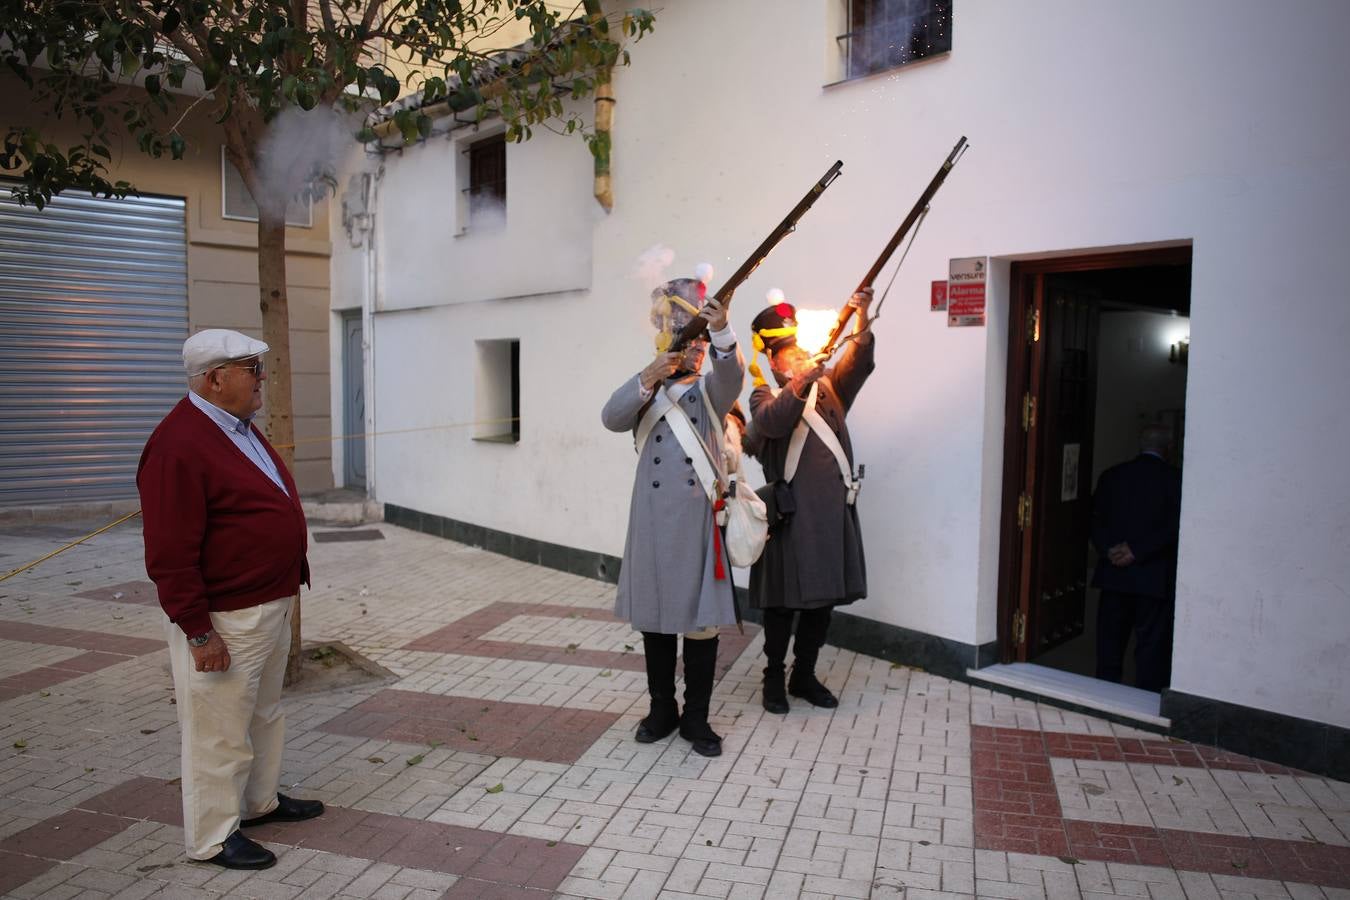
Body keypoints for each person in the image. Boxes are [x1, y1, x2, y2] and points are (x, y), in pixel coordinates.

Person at [137, 328, 322, 870]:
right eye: (251, 369)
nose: (262, 379)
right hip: (225, 617)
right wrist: (197, 629)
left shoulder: (237, 428)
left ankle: (258, 803)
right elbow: (170, 554)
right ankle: (213, 837)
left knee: (264, 713)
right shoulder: (177, 445)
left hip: (268, 603)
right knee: (217, 730)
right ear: (216, 380)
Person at [601, 272, 744, 757]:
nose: (697, 351)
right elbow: (611, 416)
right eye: (691, 342)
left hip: (697, 525)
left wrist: (723, 331)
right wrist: (648, 376)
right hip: (652, 522)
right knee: (657, 622)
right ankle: (662, 710)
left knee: (701, 627)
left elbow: (732, 375)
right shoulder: (649, 388)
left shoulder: (710, 392)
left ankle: (697, 720)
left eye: (702, 342)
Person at [745, 289, 875, 714]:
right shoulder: (764, 396)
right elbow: (771, 422)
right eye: (790, 354)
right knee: (782, 607)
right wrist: (801, 382)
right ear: (773, 362)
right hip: (791, 518)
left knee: (822, 603)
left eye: (800, 349)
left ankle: (804, 674)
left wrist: (860, 316)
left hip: (831, 516)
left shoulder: (831, 387)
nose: (799, 356)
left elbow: (858, 364)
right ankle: (773, 679)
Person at [1090, 423, 1183, 691]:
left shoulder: (1112, 475)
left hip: (1114, 575)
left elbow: (1095, 519)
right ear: (1168, 448)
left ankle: (1104, 693)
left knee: (1110, 641)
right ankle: (1144, 698)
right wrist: (1138, 550)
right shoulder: (1174, 479)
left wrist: (1108, 549)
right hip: (1151, 577)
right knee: (1151, 646)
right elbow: (1174, 526)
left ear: (1140, 445)